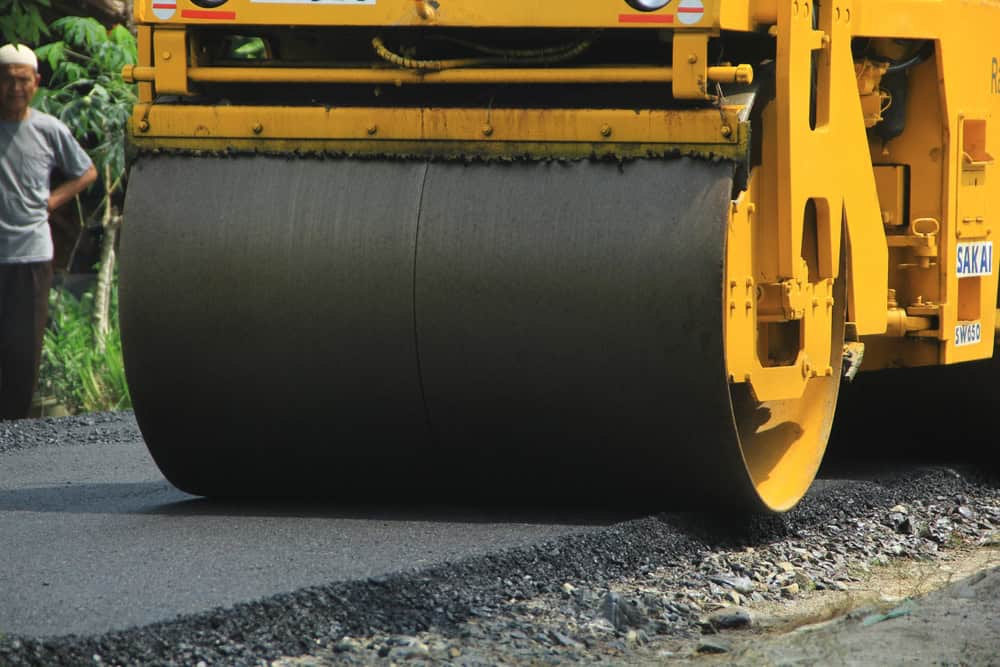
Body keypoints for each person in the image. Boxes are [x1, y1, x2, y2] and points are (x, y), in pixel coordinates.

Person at [0, 44, 97, 419]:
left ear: (36, 83)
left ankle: (16, 427)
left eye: (22, 80)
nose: (14, 88)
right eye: (6, 80)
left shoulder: (48, 129)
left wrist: (54, 200)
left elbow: (86, 172)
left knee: (24, 348)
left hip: (32, 254)